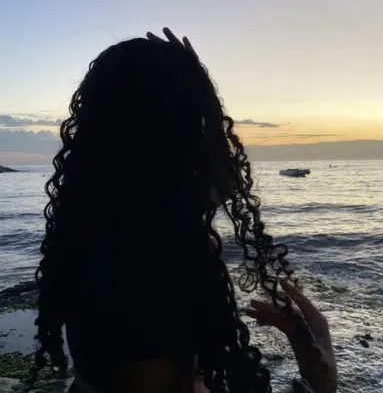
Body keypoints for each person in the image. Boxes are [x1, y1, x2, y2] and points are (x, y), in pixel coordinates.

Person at [32, 28, 337, 393]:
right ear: (177, 147)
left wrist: (195, 85)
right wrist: (313, 362)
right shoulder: (148, 264)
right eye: (203, 128)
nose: (220, 149)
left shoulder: (102, 229)